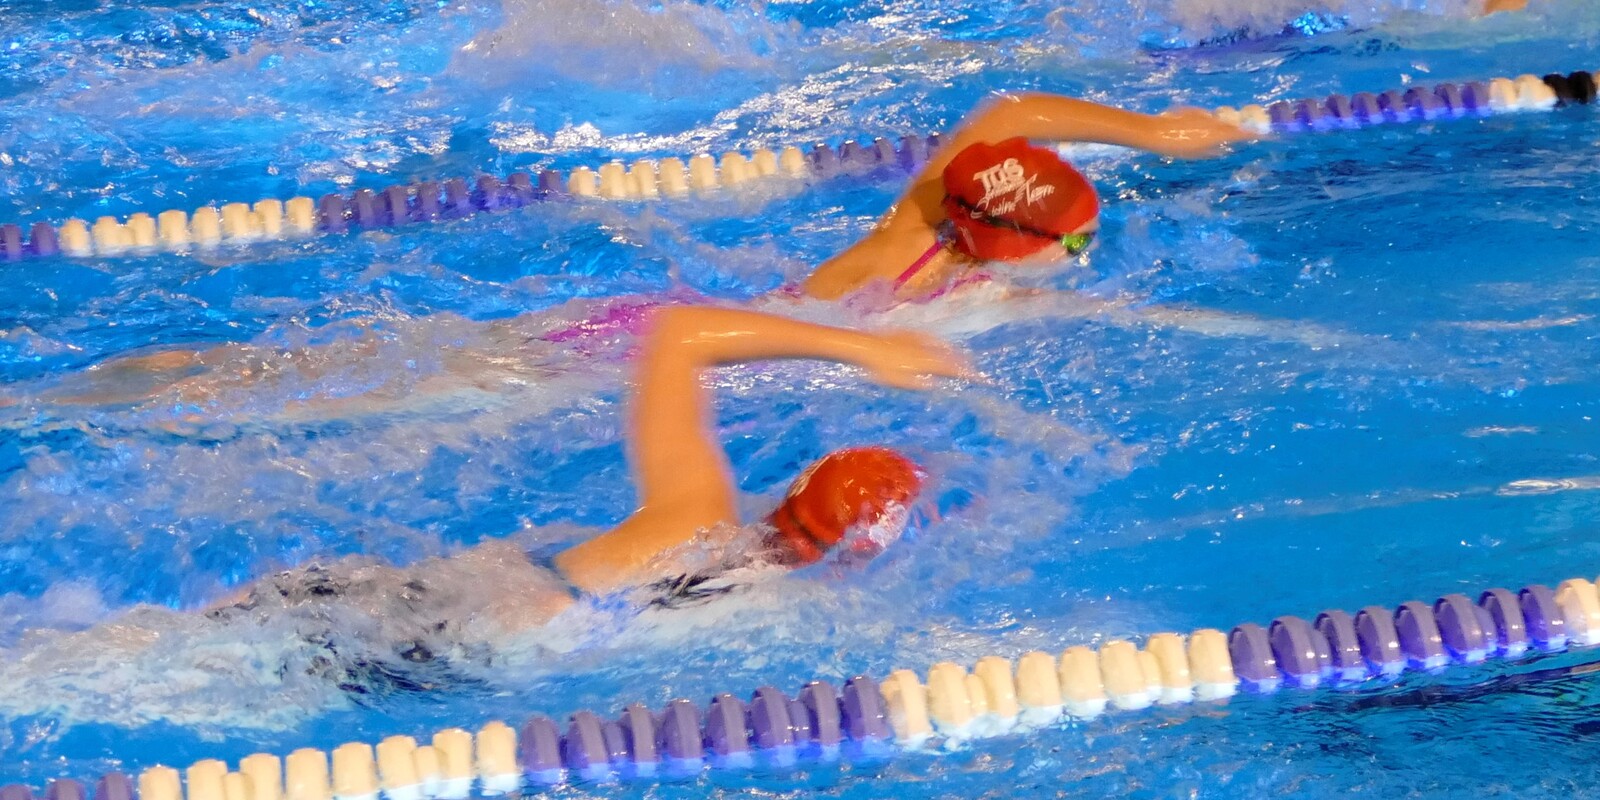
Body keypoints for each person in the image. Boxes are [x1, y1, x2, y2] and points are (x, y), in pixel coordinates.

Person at [6, 92, 1251, 424]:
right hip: (641, 354)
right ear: (1012, 240)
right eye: (1078, 235)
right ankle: (51, 395)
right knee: (357, 391)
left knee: (355, 367)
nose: (1091, 251)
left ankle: (95, 381)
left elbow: (1000, 117)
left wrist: (1153, 132)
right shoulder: (952, 276)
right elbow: (1167, 326)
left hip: (645, 324)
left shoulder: (924, 226)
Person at [210, 306, 973, 647]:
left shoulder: (695, 519)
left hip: (394, 612)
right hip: (418, 655)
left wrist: (863, 346)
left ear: (790, 491)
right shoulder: (782, 624)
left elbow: (676, 332)